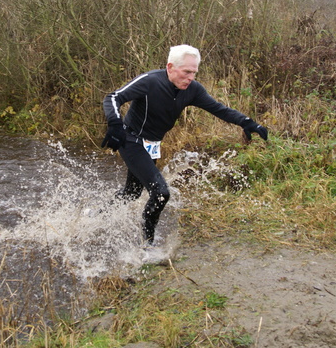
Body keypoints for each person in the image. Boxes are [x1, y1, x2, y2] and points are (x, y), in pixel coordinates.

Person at [101, 44, 267, 245]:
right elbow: (113, 97)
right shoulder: (150, 81)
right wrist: (115, 124)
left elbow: (219, 109)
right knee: (161, 193)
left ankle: (97, 216)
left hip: (152, 145)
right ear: (170, 67)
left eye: (194, 73)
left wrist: (247, 122)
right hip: (130, 140)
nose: (190, 78)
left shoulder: (192, 90)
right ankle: (147, 245)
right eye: (186, 72)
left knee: (132, 192)